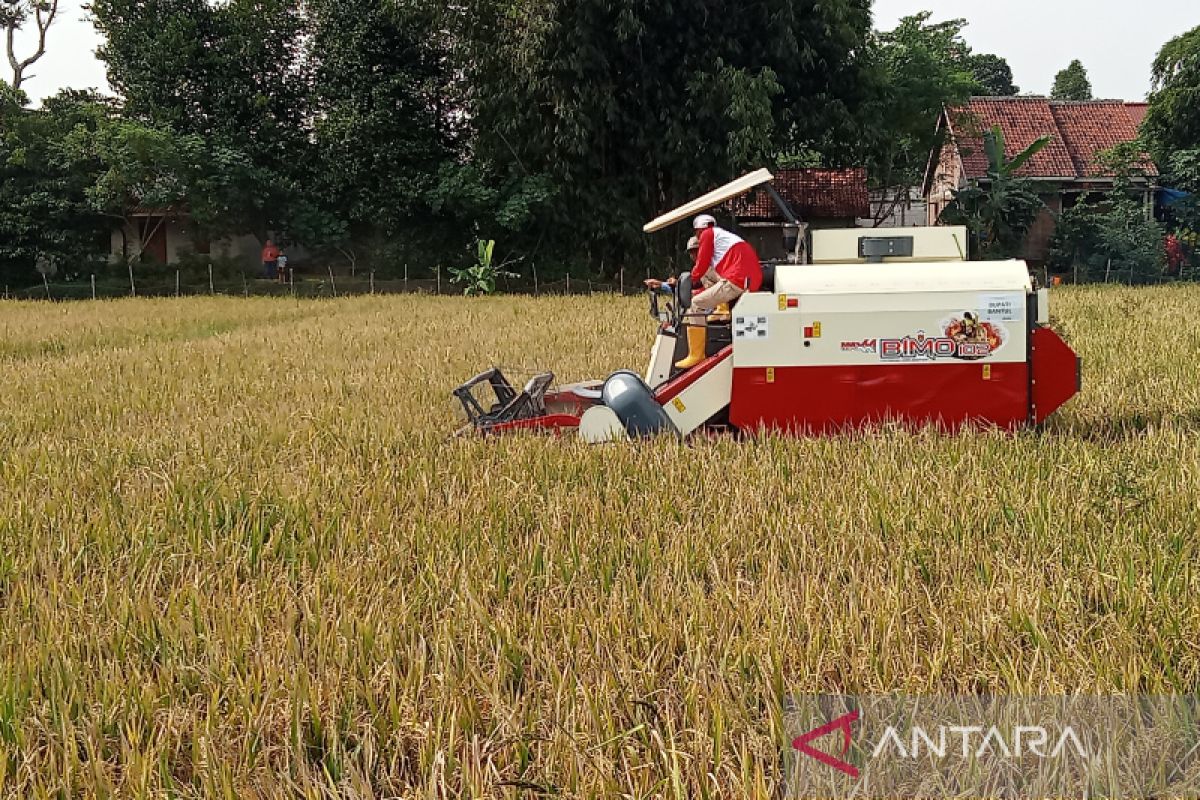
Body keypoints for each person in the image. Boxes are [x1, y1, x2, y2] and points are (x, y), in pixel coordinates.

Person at [674, 214, 762, 368]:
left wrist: (690, 281)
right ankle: (722, 310)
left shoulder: (707, 234)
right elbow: (708, 269)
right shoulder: (723, 237)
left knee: (696, 304)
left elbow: (701, 263)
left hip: (737, 279)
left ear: (699, 230)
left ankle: (696, 355)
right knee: (708, 273)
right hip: (747, 278)